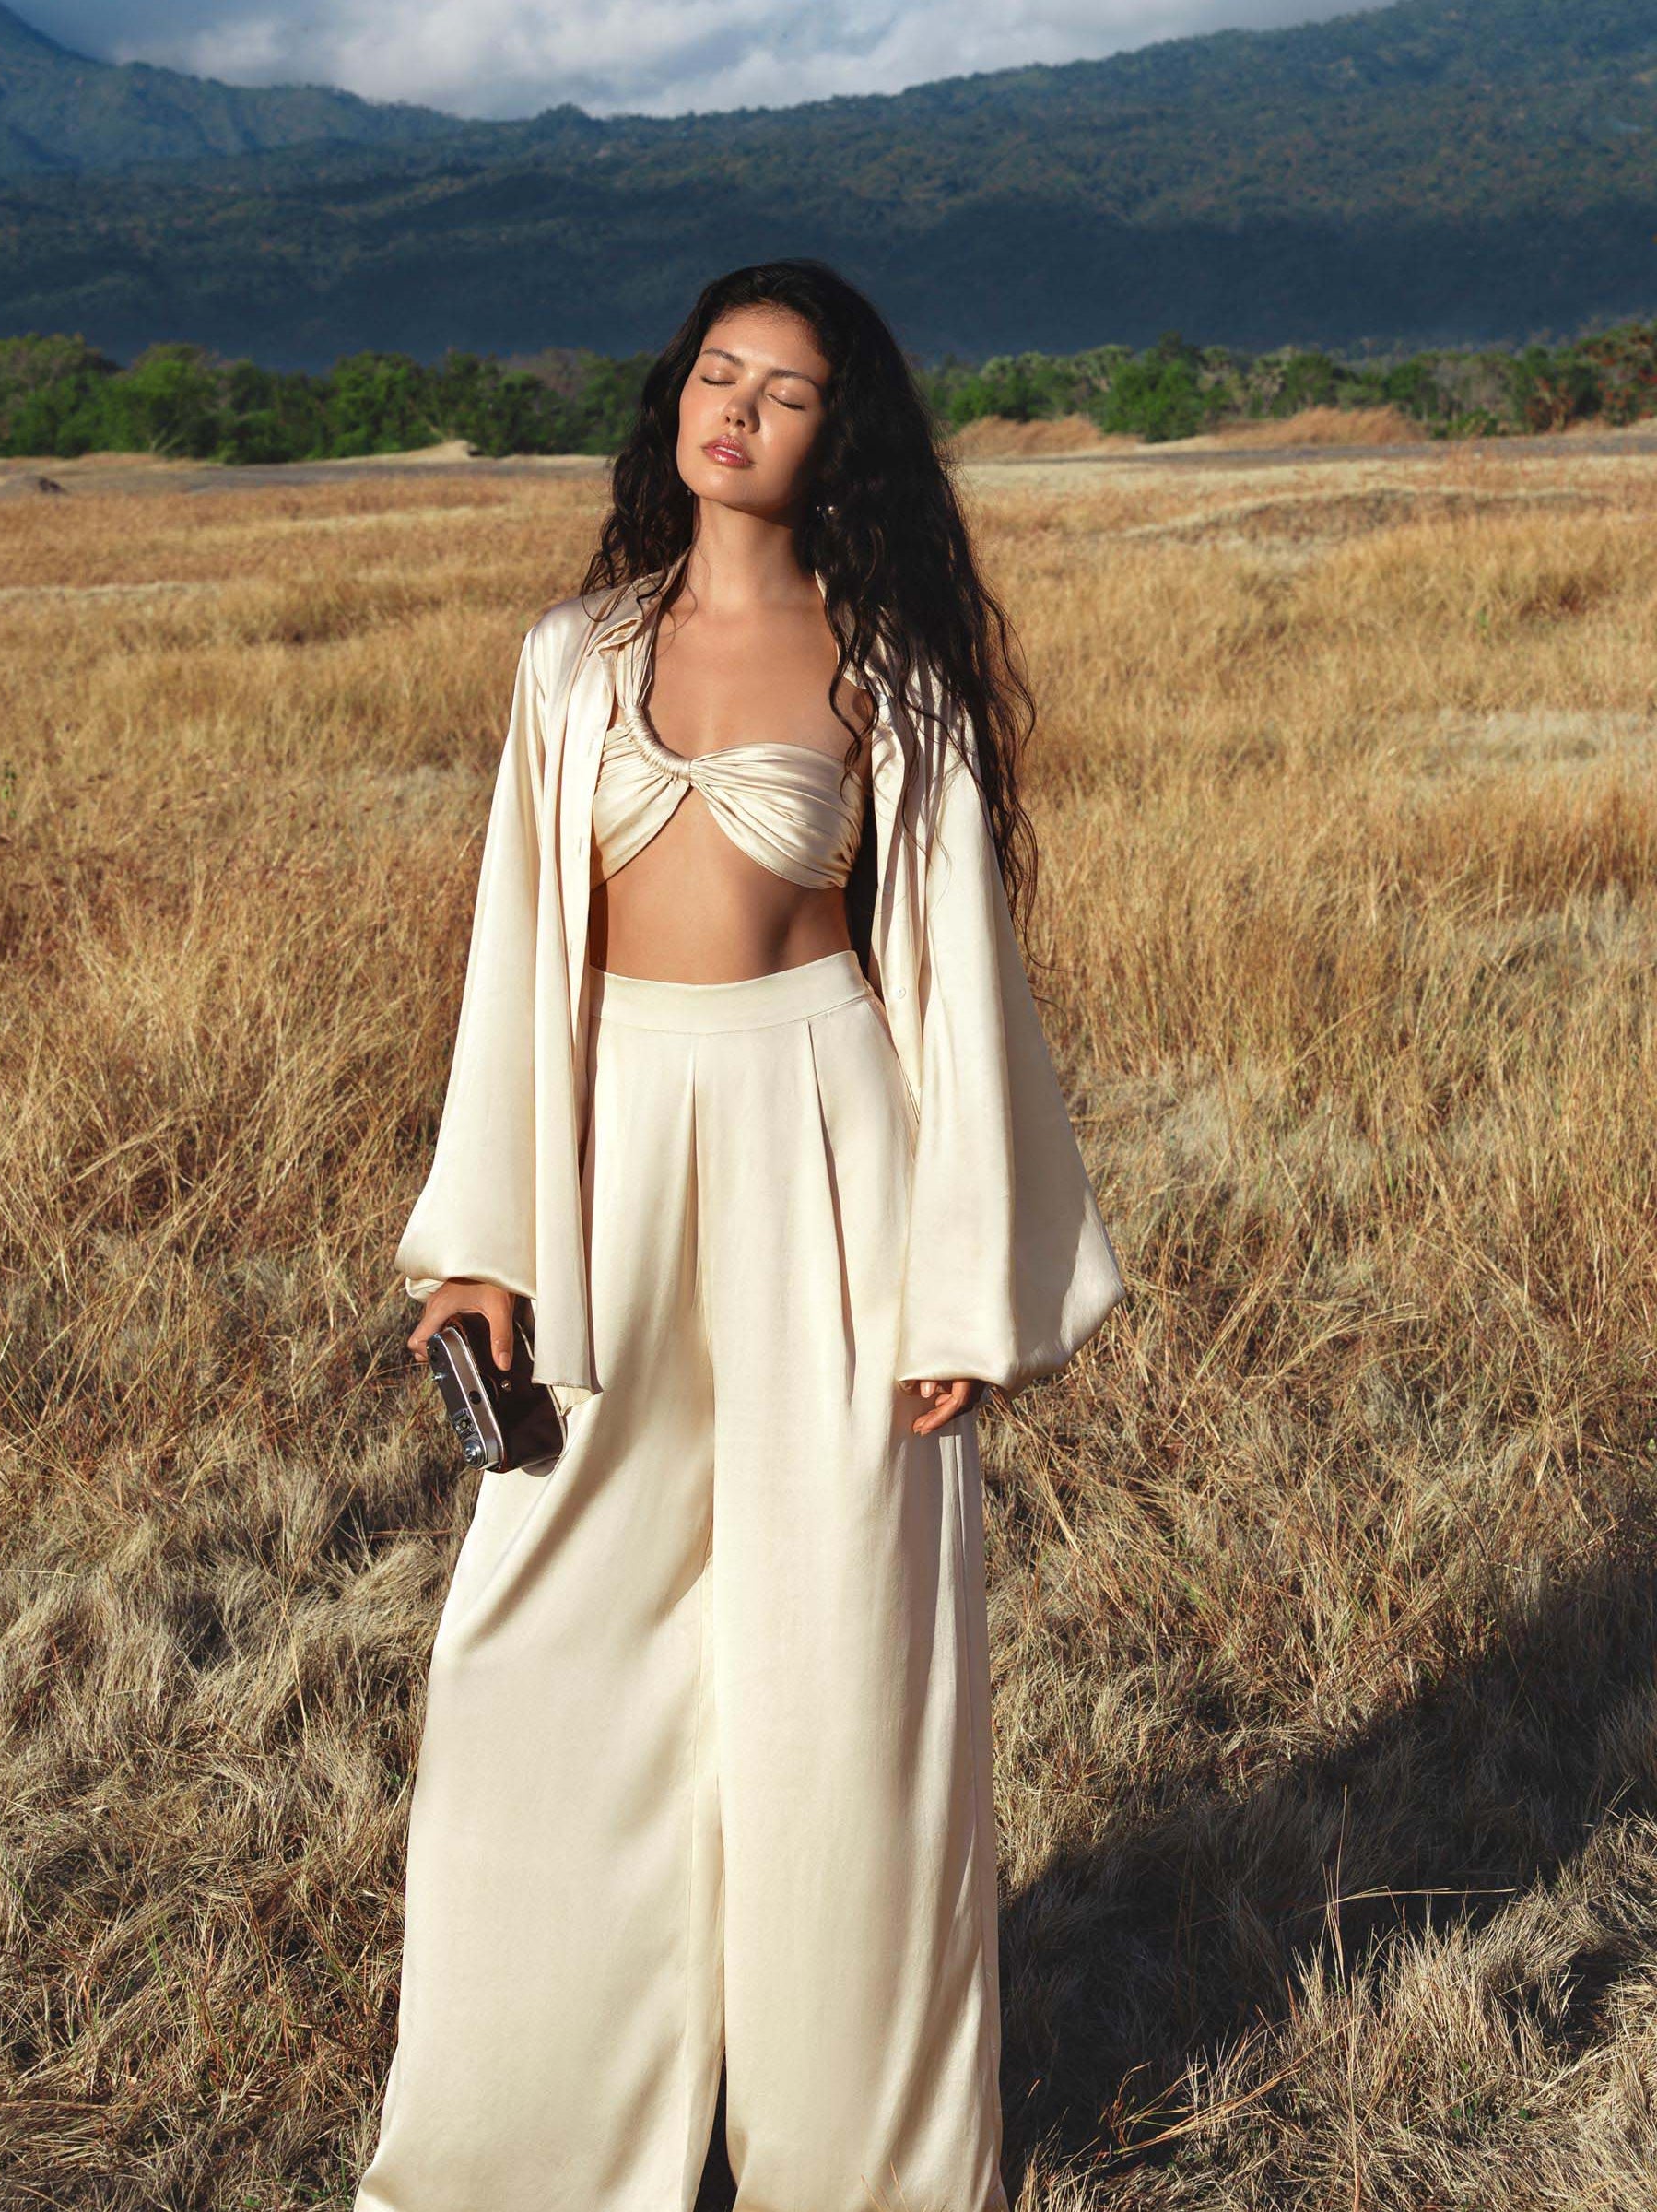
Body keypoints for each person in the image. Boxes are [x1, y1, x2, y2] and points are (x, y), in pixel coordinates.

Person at [352, 259, 1124, 2212]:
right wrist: (483, 1243)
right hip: (612, 1150)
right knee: (537, 1646)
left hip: (826, 1149)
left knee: (844, 1663)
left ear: (832, 437)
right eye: (717, 373)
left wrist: (964, 1284)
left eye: (784, 391)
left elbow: (952, 984)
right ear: (674, 398)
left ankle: (858, 2167)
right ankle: (516, 2156)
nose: (738, 411)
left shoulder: (892, 676)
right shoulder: (572, 658)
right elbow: (516, 961)